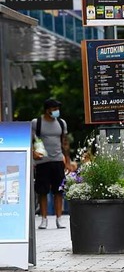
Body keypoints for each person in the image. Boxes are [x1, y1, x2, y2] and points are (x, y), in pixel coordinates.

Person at [32, 98, 71, 229]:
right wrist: (33, 153)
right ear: (47, 110)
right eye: (54, 109)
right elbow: (31, 140)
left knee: (58, 191)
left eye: (57, 109)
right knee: (42, 191)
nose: (56, 111)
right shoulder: (36, 123)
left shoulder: (61, 123)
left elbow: (64, 142)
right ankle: (44, 219)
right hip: (43, 161)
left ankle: (59, 219)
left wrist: (68, 161)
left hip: (58, 160)